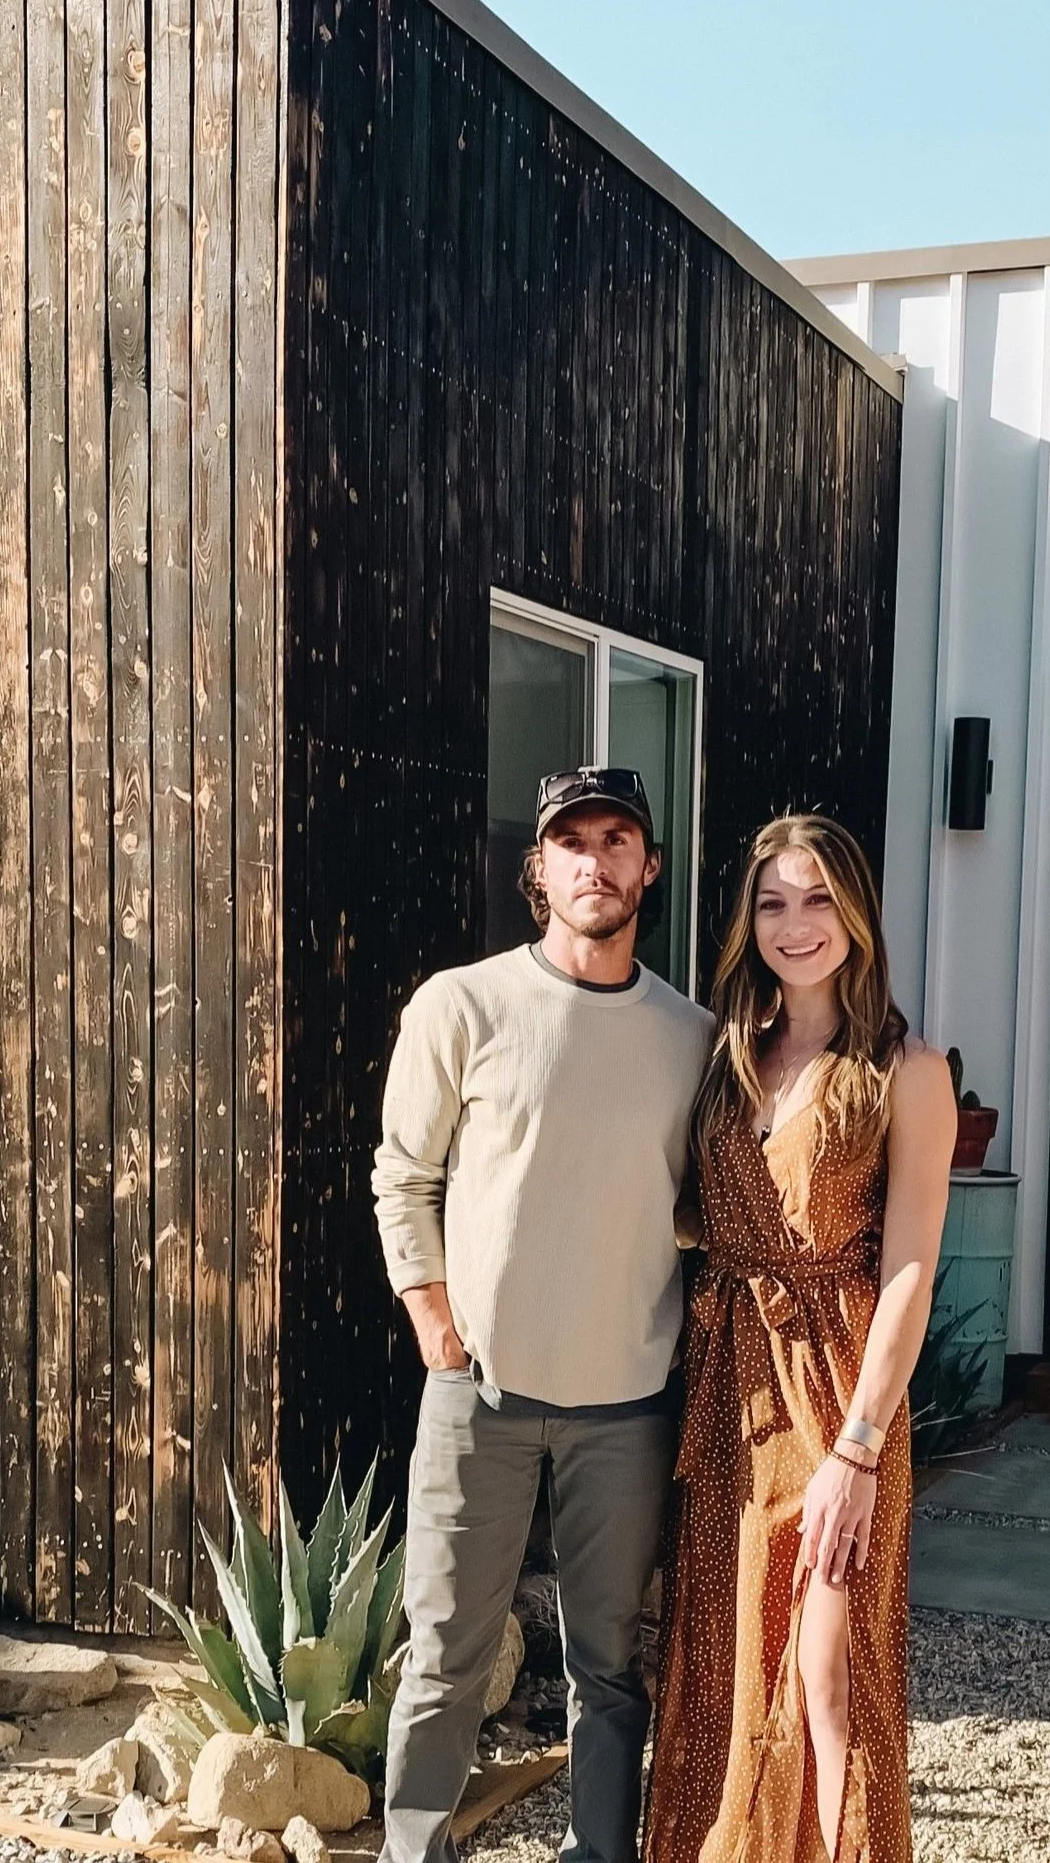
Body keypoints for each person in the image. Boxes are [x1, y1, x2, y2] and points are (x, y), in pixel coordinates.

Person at [372, 766, 713, 1863]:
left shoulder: (693, 1036)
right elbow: (402, 1171)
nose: (596, 860)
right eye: (574, 841)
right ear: (541, 868)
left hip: (626, 1404)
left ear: (648, 867)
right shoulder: (461, 1003)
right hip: (482, 1395)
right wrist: (430, 1312)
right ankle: (413, 1846)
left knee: (608, 1660)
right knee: (446, 1652)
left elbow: (708, 1206)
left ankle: (600, 1853)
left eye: (619, 840)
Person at [644, 813, 954, 1863]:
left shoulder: (907, 1068)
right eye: (773, 900)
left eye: (818, 896)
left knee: (830, 1664)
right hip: (730, 1391)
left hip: (838, 1393)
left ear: (856, 910)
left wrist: (860, 1448)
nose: (796, 922)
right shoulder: (728, 1052)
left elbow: (910, 1265)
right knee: (727, 1663)